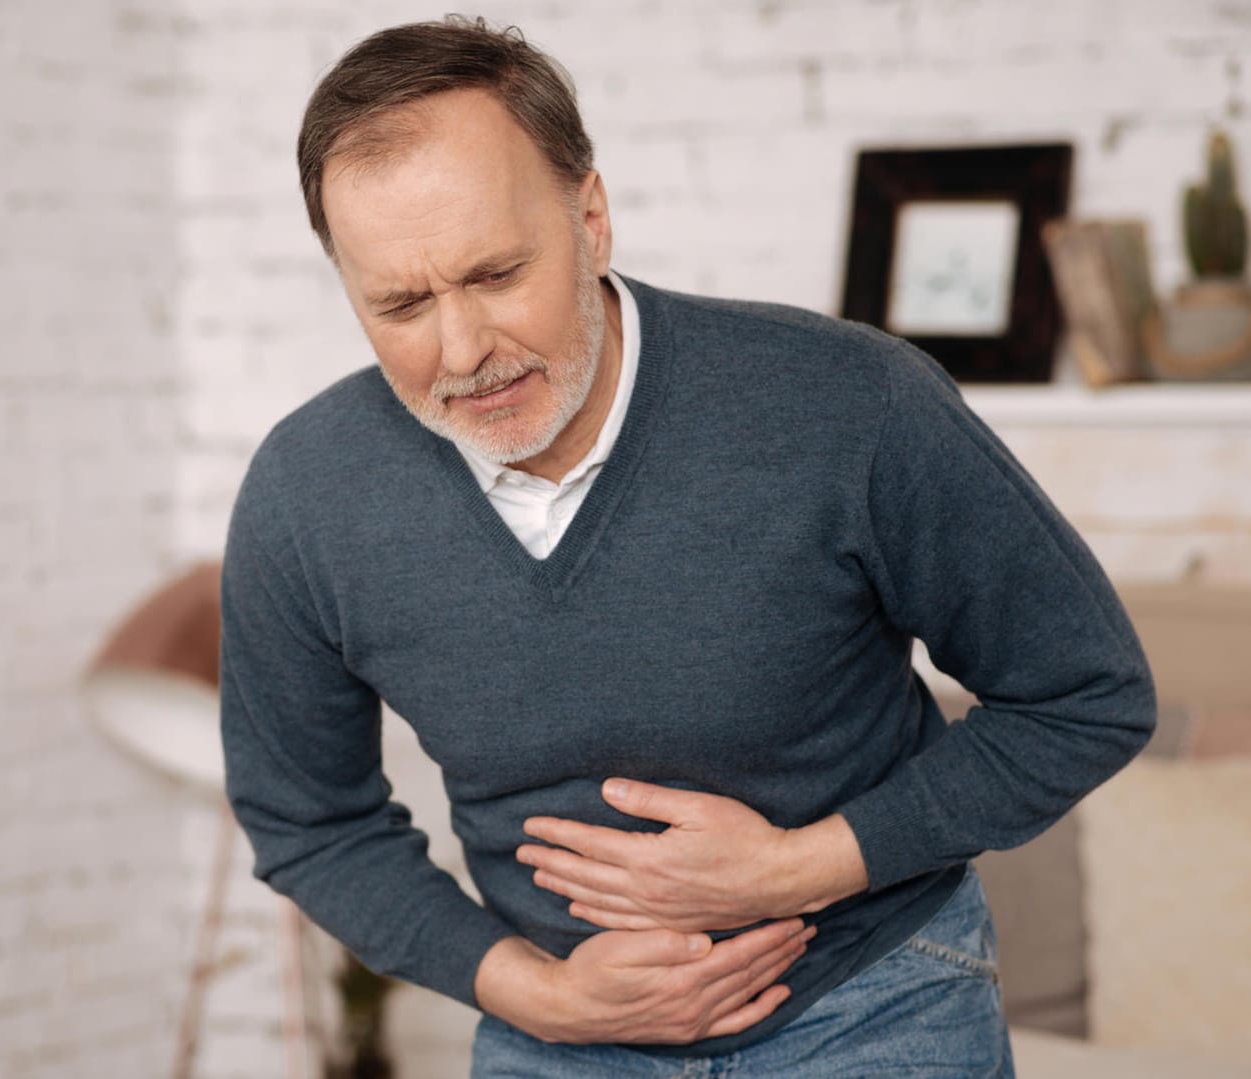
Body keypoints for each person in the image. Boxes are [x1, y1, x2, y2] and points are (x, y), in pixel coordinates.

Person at [218, 16, 1154, 1077]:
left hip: (875, 996)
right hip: (553, 1032)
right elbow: (306, 817)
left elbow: (1086, 693)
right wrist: (539, 991)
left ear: (592, 218)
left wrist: (797, 868)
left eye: (495, 273)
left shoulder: (849, 405)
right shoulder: (306, 493)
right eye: (399, 303)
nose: (462, 349)